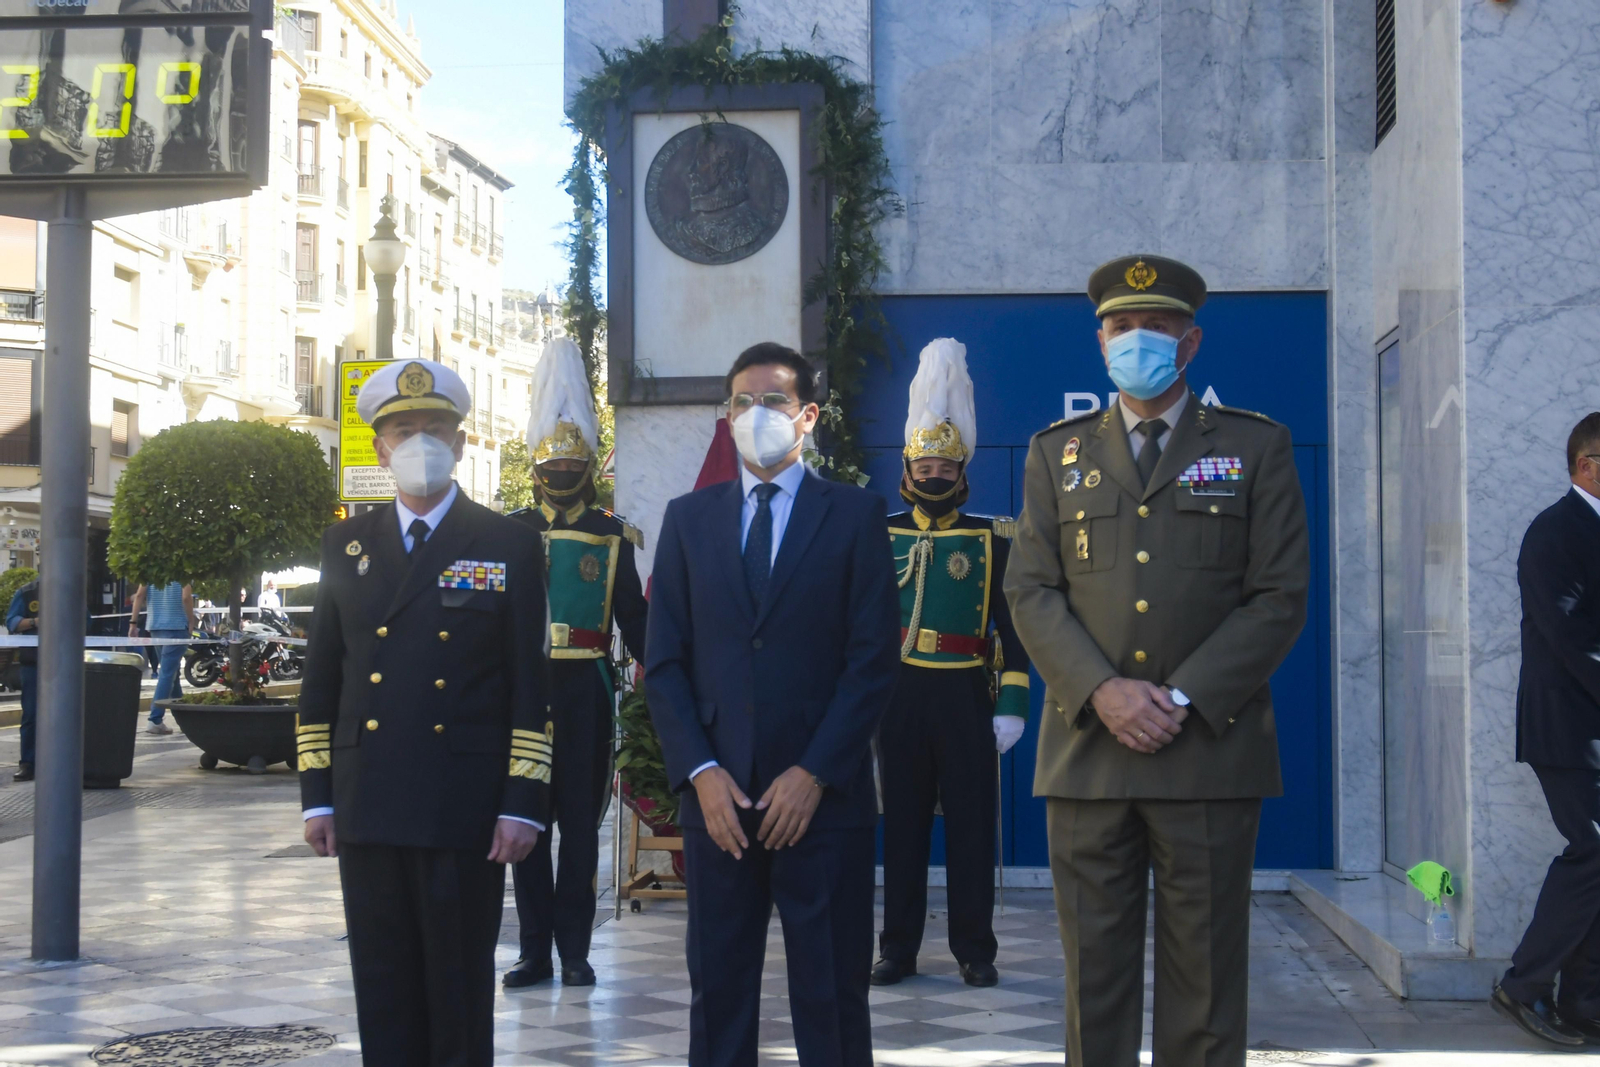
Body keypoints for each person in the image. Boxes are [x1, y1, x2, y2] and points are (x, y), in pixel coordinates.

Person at [1004, 255, 1310, 1067]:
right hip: (1088, 755)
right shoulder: (1054, 454)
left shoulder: (1255, 446)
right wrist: (1103, 691)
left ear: (1192, 340)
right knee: (1092, 986)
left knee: (1206, 988)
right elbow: (1031, 590)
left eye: (1159, 326)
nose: (1138, 339)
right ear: (1100, 340)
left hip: (1208, 752)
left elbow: (1279, 595)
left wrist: (1178, 697)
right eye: (1121, 326)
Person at [646, 342, 900, 1067]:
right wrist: (699, 769)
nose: (757, 415)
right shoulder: (688, 520)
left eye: (774, 401)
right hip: (719, 803)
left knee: (832, 997)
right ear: (726, 416)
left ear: (808, 416)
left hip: (821, 805)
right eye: (742, 402)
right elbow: (664, 663)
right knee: (718, 996)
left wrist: (814, 772)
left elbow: (872, 660)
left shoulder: (855, 515)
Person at [298, 358, 551, 1067]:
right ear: (378, 447)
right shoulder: (345, 545)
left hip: (462, 804)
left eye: (434, 427)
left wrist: (523, 802)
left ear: (463, 443)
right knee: (383, 986)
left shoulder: (506, 542)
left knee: (460, 987)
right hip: (368, 798)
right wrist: (317, 796)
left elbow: (531, 682)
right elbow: (321, 681)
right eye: (403, 428)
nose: (419, 440)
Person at [872, 338, 1031, 990]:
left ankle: (974, 947)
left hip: (966, 691)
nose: (934, 474)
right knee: (902, 827)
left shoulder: (993, 535)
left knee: (971, 826)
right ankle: (897, 948)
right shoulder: (875, 531)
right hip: (897, 693)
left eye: (945, 465)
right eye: (924, 463)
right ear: (907, 464)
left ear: (962, 467)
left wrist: (1013, 701)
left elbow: (1014, 629)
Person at [504, 338, 648, 990]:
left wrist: (674, 676)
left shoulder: (612, 535)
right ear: (537, 463)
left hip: (585, 687)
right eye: (552, 459)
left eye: (572, 459)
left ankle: (575, 949)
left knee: (582, 828)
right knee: (526, 820)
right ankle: (533, 949)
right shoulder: (505, 533)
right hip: (523, 694)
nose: (562, 469)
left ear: (588, 462)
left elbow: (637, 624)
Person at [1490, 412, 1600, 1049]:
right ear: (1587, 465)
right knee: (1593, 851)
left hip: (1594, 728)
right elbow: (1569, 637)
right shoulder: (1556, 531)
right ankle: (1523, 986)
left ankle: (1586, 1000)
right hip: (1567, 728)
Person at [129, 580, 195, 734]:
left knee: (172, 672)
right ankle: (155, 719)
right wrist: (191, 620)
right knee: (167, 673)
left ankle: (184, 716)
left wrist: (133, 623)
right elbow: (186, 597)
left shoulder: (151, 568)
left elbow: (139, 595)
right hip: (177, 627)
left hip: (155, 626)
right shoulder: (182, 568)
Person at [6, 575, 39, 781]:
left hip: (64, 663)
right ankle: (28, 763)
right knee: (31, 714)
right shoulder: (27, 592)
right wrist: (35, 621)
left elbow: (86, 620)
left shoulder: (70, 590)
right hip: (33, 663)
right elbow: (12, 621)